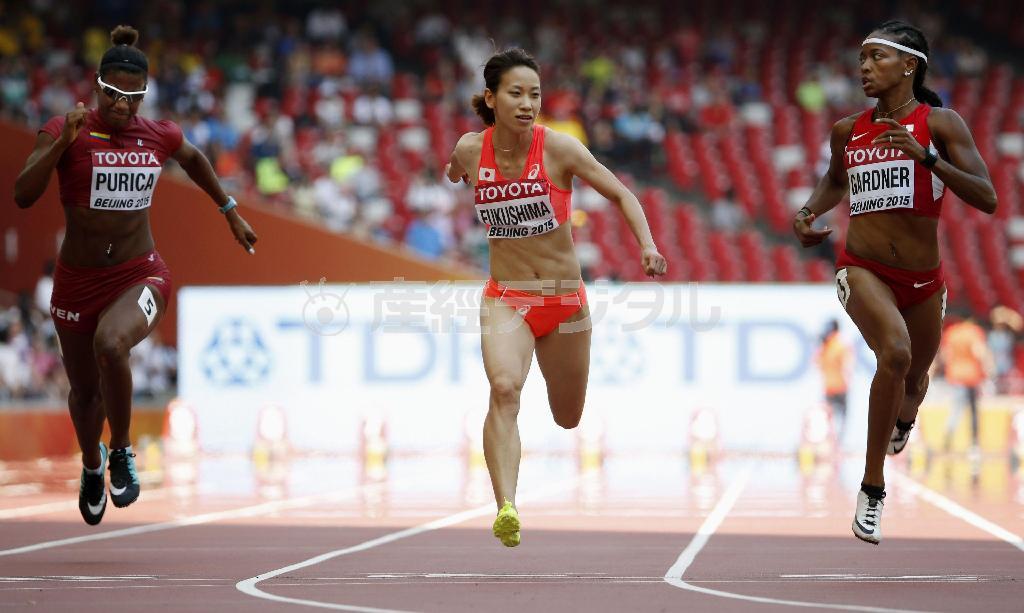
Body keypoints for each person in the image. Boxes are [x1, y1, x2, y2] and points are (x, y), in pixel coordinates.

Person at [13, 25, 258, 526]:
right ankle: (91, 462)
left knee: (111, 345)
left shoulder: (159, 133)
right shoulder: (65, 128)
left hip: (140, 273)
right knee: (84, 395)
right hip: (77, 283)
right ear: (97, 86)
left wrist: (229, 209)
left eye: (133, 98)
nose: (123, 107)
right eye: (113, 95)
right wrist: (63, 145)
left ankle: (121, 450)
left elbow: (192, 157)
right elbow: (22, 192)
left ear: (144, 96)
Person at [445, 48, 667, 547]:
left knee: (568, 417)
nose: (527, 103)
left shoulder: (560, 149)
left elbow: (622, 194)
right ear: (491, 98)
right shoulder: (468, 149)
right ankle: (506, 506)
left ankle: (525, 473)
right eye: (515, 93)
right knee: (504, 388)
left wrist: (648, 247)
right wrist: (460, 175)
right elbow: (454, 170)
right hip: (506, 297)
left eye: (535, 95)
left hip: (564, 302)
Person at [792, 20, 996, 545]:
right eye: (861, 59)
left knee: (916, 382)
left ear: (910, 65)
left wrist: (926, 156)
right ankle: (872, 486)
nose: (863, 67)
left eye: (875, 58)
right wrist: (808, 211)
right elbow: (836, 180)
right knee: (897, 354)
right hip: (860, 266)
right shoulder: (847, 130)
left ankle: (905, 414)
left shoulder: (941, 124)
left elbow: (987, 198)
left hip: (925, 279)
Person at [939, 313, 993, 454]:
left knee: (956, 409)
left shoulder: (952, 332)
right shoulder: (974, 331)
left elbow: (945, 355)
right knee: (974, 411)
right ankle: (974, 443)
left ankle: (948, 436)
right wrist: (989, 368)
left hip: (955, 376)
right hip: (971, 376)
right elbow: (979, 352)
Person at [815, 319, 853, 442]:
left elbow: (818, 363)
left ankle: (833, 444)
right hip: (838, 387)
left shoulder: (831, 345)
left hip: (833, 387)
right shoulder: (835, 345)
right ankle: (835, 444)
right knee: (837, 421)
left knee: (832, 420)